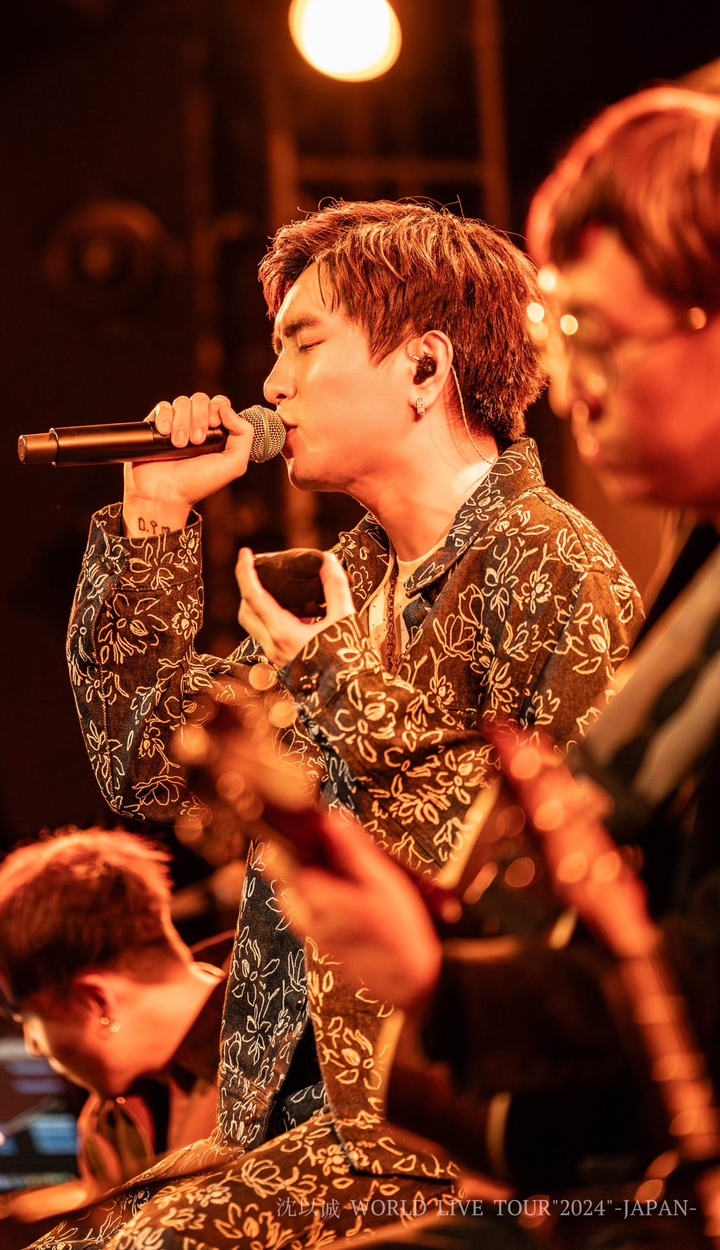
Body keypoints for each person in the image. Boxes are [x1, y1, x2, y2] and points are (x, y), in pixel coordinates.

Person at [62, 199, 641, 1248]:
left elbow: (551, 891)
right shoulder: (354, 577)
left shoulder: (551, 565)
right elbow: (143, 765)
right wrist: (155, 517)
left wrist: (333, 676)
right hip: (286, 1123)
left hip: (429, 1135)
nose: (272, 384)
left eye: (303, 342)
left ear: (423, 368)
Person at [275, 83, 720, 1239]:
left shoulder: (549, 560)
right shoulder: (697, 570)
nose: (570, 384)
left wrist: (440, 984)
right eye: (559, 338)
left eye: (599, 337)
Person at [0, 828, 230, 1192]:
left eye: (29, 1019)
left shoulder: (294, 1039)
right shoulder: (108, 1123)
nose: (33, 1046)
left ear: (96, 1000)